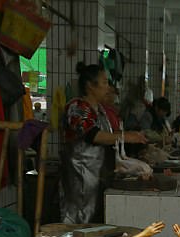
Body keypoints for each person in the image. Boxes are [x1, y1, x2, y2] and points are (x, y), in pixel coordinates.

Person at [60, 62, 146, 224]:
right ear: (90, 86)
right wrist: (126, 137)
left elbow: (108, 135)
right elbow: (93, 135)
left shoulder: (100, 111)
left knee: (96, 224)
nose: (108, 87)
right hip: (80, 178)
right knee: (77, 223)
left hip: (99, 178)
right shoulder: (77, 107)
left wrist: (130, 135)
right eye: (105, 82)